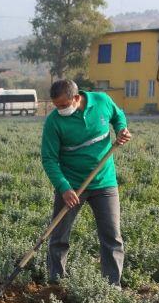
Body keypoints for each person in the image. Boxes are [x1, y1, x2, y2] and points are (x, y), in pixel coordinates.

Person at [41, 79, 131, 287]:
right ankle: (56, 282)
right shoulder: (54, 122)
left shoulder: (102, 101)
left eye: (64, 105)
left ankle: (112, 287)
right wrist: (64, 188)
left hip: (104, 183)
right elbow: (49, 159)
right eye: (56, 106)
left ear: (76, 98)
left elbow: (118, 116)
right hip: (72, 186)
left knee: (112, 236)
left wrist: (121, 130)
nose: (60, 110)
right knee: (59, 235)